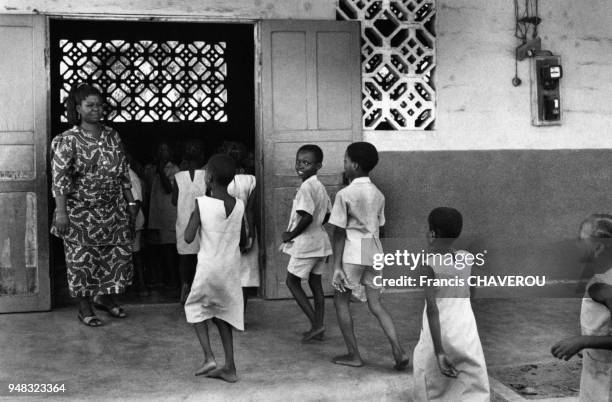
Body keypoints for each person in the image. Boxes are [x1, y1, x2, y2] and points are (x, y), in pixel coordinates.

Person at [50, 83, 137, 327]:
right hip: (80, 212)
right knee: (81, 260)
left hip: (113, 209)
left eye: (99, 105)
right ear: (78, 108)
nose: (97, 109)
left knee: (114, 257)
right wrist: (62, 213)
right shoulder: (68, 140)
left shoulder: (112, 135)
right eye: (90, 105)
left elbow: (123, 172)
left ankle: (106, 298)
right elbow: (60, 180)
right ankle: (84, 306)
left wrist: (130, 202)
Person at [329, 142, 409, 369]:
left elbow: (338, 232)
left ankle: (354, 355)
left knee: (341, 301)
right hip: (373, 250)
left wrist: (336, 266)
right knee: (376, 303)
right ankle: (398, 349)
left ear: (354, 165)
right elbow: (380, 226)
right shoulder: (378, 194)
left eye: (345, 161)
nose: (344, 166)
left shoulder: (345, 194)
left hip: (353, 252)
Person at [412, 207, 490, 401]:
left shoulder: (429, 262)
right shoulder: (467, 258)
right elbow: (472, 293)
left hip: (440, 324)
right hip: (464, 323)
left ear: (433, 233)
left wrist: (439, 351)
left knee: (429, 367)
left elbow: (432, 308)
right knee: (470, 369)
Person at [184, 154, 245, 383]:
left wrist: (195, 214)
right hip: (229, 268)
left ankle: (209, 357)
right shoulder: (238, 205)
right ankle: (230, 367)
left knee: (195, 309)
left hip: (209, 268)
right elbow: (244, 238)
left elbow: (188, 237)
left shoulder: (202, 203)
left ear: (208, 177)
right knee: (223, 316)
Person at [552, 214, 612, 401]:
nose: (576, 244)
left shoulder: (603, 287)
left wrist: (583, 341)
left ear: (598, 247)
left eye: (581, 239)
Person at [281, 144, 332, 342]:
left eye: (307, 163)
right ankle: (317, 327)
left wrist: (291, 234)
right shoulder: (319, 186)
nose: (301, 166)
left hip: (307, 244)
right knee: (315, 282)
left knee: (291, 282)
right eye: (298, 161)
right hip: (321, 243)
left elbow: (307, 216)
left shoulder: (305, 188)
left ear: (318, 165)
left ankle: (317, 325)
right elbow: (326, 213)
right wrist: (318, 225)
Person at [225, 141, 259, 316]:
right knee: (244, 277)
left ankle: (227, 314)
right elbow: (251, 211)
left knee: (226, 273)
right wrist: (251, 234)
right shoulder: (251, 179)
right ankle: (241, 315)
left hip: (226, 229)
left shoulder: (222, 180)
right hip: (245, 228)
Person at [172, 140, 207, 304]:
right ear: (201, 157)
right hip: (202, 222)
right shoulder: (207, 175)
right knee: (202, 257)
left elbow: (173, 201)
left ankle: (185, 285)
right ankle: (198, 289)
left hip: (184, 222)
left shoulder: (178, 177)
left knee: (185, 258)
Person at [145, 142, 180, 288]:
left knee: (169, 247)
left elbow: (168, 189)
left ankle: (173, 279)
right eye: (160, 149)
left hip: (169, 213)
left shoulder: (174, 169)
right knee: (156, 248)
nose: (162, 152)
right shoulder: (149, 168)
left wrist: (161, 169)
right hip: (155, 213)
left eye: (165, 149)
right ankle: (161, 278)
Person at [127, 154, 148, 297]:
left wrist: (132, 223)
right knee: (133, 254)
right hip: (129, 221)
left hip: (132, 221)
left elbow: (136, 201)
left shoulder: (130, 175)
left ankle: (141, 286)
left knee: (135, 254)